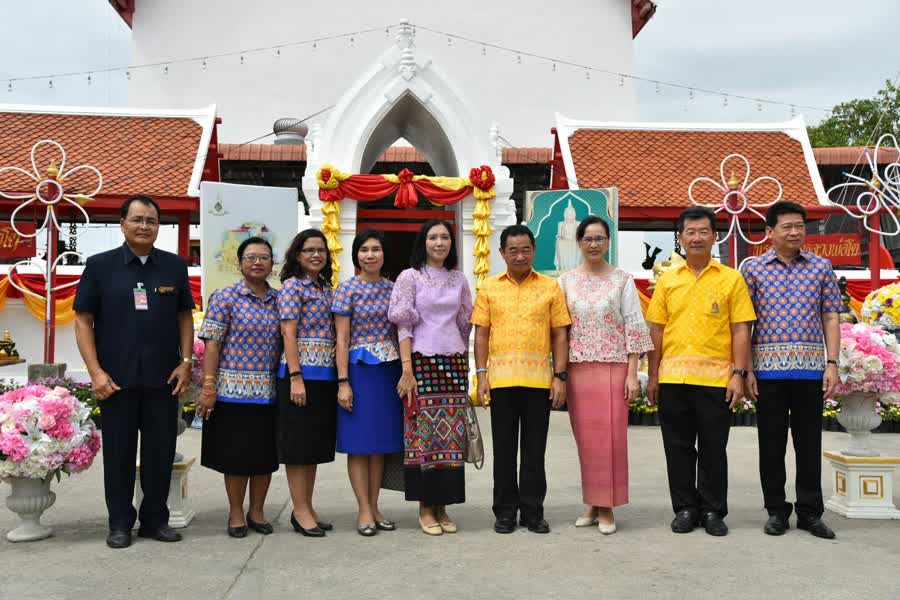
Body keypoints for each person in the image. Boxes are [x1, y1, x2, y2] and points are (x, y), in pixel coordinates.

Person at [73, 195, 194, 549]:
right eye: (138, 219)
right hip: (116, 381)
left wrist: (185, 363)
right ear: (123, 223)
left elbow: (184, 316)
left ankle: (155, 519)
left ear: (159, 226)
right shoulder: (100, 267)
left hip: (164, 380)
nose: (145, 226)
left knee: (160, 453)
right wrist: (95, 372)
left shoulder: (174, 267)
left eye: (151, 220)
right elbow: (83, 321)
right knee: (119, 454)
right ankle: (120, 523)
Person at [646, 206, 756, 537]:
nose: (696, 238)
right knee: (677, 447)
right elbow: (657, 331)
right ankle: (684, 508)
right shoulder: (667, 280)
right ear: (679, 239)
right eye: (689, 232)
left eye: (703, 231)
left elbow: (740, 329)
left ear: (714, 235)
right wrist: (653, 377)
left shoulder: (731, 279)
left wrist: (738, 373)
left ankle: (712, 510)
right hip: (673, 378)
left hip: (716, 379)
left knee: (712, 447)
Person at [741, 201, 842, 539]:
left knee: (808, 443)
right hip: (766, 372)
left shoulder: (821, 267)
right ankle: (776, 510)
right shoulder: (753, 270)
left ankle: (811, 512)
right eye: (787, 226)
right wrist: (746, 370)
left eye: (800, 225)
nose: (796, 231)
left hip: (811, 371)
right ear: (770, 232)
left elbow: (830, 316)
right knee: (771, 444)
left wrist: (832, 363)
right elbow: (744, 324)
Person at [472, 224, 571, 535]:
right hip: (500, 380)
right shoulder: (489, 287)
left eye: (525, 249)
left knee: (533, 450)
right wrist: (481, 375)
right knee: (503, 450)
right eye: (512, 250)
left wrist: (560, 376)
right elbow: (481, 335)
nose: (519, 255)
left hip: (538, 381)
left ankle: (532, 511)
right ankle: (504, 511)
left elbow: (560, 334)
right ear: (502, 253)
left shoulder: (550, 287)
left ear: (534, 251)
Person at [558, 216, 653, 535]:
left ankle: (608, 506)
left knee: (611, 440)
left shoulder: (622, 280)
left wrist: (632, 374)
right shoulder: (566, 281)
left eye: (600, 238)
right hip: (578, 369)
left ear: (608, 242)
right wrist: (556, 373)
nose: (594, 244)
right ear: (579, 243)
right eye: (588, 239)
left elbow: (634, 326)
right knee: (586, 441)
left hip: (614, 368)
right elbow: (560, 330)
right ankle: (591, 502)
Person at [389, 219, 473, 536]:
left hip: (453, 364)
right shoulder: (410, 277)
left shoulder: (459, 279)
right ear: (423, 242)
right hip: (421, 363)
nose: (440, 243)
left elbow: (465, 324)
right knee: (423, 436)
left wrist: (464, 366)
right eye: (433, 237)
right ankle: (425, 506)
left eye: (445, 237)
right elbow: (403, 324)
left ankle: (444, 505)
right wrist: (406, 369)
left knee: (451, 438)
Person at [195, 236, 280, 538]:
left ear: (273, 263)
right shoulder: (226, 297)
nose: (257, 262)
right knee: (236, 457)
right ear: (240, 262)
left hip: (269, 394)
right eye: (251, 257)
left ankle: (257, 511)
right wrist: (209, 386)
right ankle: (235, 513)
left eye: (264, 257)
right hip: (231, 392)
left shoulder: (280, 299)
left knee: (263, 457)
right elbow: (212, 344)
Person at [333, 229, 403, 537]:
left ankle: (375, 506)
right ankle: (363, 509)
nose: (370, 254)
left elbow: (402, 333)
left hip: (388, 374)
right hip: (359, 373)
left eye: (376, 248)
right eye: (364, 249)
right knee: (359, 446)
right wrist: (343, 381)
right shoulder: (346, 289)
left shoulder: (395, 289)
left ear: (384, 254)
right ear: (356, 255)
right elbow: (341, 338)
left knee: (380, 447)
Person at [277, 229, 338, 538]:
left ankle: (307, 506)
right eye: (309, 250)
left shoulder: (326, 289)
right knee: (298, 447)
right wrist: (296, 377)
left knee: (313, 447)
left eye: (321, 250)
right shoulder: (292, 287)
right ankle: (299, 511)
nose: (316, 255)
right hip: (300, 377)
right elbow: (288, 333)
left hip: (324, 377)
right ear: (297, 255)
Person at [554, 200, 581, 272]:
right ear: (565, 214)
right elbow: (560, 235)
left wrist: (573, 238)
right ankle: (563, 267)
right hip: (564, 242)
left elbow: (579, 234)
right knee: (559, 242)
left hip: (574, 241)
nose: (570, 215)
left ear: (574, 214)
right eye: (568, 214)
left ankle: (575, 267)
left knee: (579, 242)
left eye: (571, 213)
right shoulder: (561, 223)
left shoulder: (578, 223)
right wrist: (561, 237)